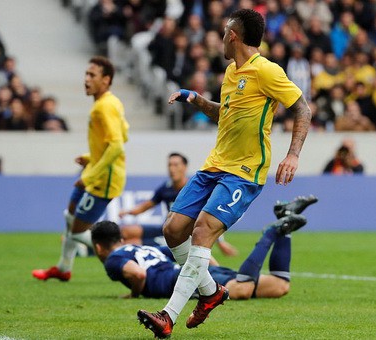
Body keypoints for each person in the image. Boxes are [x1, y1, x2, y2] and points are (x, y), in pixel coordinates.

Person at [137, 9, 312, 339]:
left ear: (233, 35)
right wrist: (197, 99)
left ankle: (168, 315)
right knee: (173, 230)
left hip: (244, 172)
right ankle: (212, 292)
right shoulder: (232, 73)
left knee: (202, 231)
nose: (219, 39)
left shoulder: (267, 71)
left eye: (223, 33)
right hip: (214, 165)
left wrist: (292, 154)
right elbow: (225, 114)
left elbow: (302, 107)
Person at [92, 196, 317, 299]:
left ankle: (272, 232)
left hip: (178, 280)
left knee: (242, 290)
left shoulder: (113, 259)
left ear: (99, 247)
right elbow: (189, 249)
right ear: (121, 239)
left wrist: (134, 294)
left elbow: (138, 273)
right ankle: (285, 226)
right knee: (279, 287)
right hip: (196, 271)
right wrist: (211, 268)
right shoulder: (144, 249)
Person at [32, 56, 129, 282]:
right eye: (86, 74)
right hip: (96, 170)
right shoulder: (111, 102)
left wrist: (91, 175)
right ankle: (64, 268)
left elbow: (116, 145)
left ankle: (124, 257)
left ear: (106, 80)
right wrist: (91, 157)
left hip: (103, 179)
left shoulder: (103, 108)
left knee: (77, 231)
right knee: (70, 214)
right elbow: (123, 133)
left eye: (92, 75)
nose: (86, 79)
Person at [118, 152, 238, 256]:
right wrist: (128, 212)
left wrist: (220, 242)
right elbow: (148, 205)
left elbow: (208, 217)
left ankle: (112, 250)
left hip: (184, 234)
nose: (172, 168)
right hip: (166, 228)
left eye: (176, 165)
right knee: (126, 232)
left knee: (131, 242)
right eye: (169, 165)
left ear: (185, 167)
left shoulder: (195, 189)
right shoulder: (166, 188)